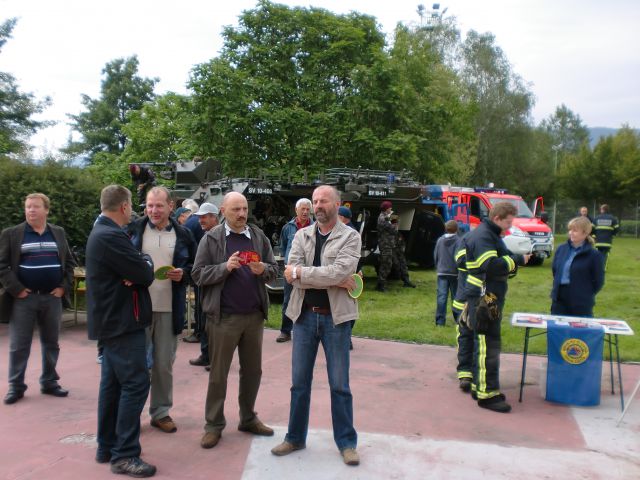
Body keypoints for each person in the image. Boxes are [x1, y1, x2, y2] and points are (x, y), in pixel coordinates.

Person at [271, 185, 362, 466]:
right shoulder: (301, 235)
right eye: (315, 201)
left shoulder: (351, 237)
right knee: (299, 383)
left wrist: (302, 274)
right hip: (305, 317)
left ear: (337, 204)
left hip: (336, 320)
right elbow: (289, 271)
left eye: (323, 200)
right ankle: (295, 437)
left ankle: (346, 443)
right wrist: (327, 277)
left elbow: (340, 271)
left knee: (339, 385)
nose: (318, 205)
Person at [191, 191, 277, 449]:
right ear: (223, 211)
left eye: (244, 209)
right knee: (219, 374)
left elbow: (274, 271)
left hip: (253, 317)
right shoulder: (212, 239)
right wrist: (224, 268)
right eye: (236, 210)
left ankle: (248, 418)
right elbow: (197, 274)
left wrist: (264, 269)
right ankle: (213, 425)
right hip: (223, 318)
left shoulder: (258, 237)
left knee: (253, 372)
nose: (241, 214)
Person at [86, 185, 157, 477]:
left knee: (113, 386)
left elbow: (137, 272)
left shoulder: (103, 233)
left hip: (112, 322)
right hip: (122, 322)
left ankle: (107, 446)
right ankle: (125, 454)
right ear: (125, 207)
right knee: (136, 384)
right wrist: (146, 264)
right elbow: (144, 273)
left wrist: (138, 269)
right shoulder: (112, 236)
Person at [127, 186, 196, 434]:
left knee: (163, 364)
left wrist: (184, 274)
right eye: (149, 205)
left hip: (169, 308)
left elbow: (193, 267)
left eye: (159, 205)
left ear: (170, 206)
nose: (153, 210)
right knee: (137, 365)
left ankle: (161, 412)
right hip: (138, 308)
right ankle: (131, 413)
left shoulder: (185, 234)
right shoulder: (133, 231)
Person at [0, 193, 76, 405]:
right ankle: (16, 386)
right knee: (19, 344)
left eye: (35, 207)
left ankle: (50, 382)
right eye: (28, 207)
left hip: (52, 298)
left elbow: (69, 264)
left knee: (51, 342)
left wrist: (63, 287)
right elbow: (2, 266)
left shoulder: (58, 233)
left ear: (46, 210)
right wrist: (17, 289)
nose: (31, 210)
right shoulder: (12, 234)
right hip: (24, 299)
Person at [462, 202, 529, 413]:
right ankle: (487, 395)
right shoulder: (484, 235)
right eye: (508, 221)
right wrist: (516, 260)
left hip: (487, 296)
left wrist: (510, 261)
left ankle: (479, 386)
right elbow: (489, 265)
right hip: (487, 298)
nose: (510, 226)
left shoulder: (489, 234)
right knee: (487, 343)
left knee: (484, 341)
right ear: (498, 217)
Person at [187, 203, 220, 367]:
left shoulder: (220, 236)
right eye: (199, 217)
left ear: (214, 217)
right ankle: (206, 354)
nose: (200, 220)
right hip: (203, 282)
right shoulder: (207, 235)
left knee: (213, 322)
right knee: (204, 318)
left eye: (204, 217)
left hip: (214, 285)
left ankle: (215, 358)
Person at [551, 216, 604, 316]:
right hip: (559, 298)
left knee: (579, 330)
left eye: (575, 230)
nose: (571, 233)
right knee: (558, 329)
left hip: (581, 302)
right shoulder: (561, 249)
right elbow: (555, 270)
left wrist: (585, 293)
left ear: (585, 233)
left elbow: (598, 281)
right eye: (570, 230)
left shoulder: (594, 255)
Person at [276, 198, 312, 343]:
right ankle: (285, 331)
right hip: (290, 271)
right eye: (302, 209)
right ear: (296, 210)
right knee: (288, 300)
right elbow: (283, 246)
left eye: (308, 209)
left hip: (308, 271)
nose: (305, 212)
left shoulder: (316, 227)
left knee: (309, 301)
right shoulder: (287, 228)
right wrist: (287, 263)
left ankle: (307, 332)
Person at [376, 201, 415, 291]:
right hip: (386, 245)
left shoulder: (386, 217)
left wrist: (393, 219)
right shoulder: (382, 218)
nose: (391, 209)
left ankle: (406, 280)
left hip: (393, 243)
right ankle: (381, 285)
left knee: (401, 262)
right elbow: (394, 230)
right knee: (386, 264)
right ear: (386, 209)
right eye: (389, 208)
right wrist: (395, 221)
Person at [434, 220, 459, 326]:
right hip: (454, 273)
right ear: (456, 229)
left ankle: (440, 321)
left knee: (441, 297)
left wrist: (438, 266)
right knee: (456, 297)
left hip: (442, 272)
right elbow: (460, 257)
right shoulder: (459, 241)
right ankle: (458, 319)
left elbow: (436, 255)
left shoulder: (440, 240)